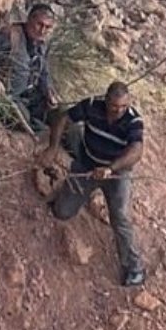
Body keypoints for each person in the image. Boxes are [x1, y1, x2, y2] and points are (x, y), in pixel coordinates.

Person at [40, 80, 147, 287]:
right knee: (62, 212)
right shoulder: (91, 105)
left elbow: (136, 151)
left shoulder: (133, 121)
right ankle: (74, 192)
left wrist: (111, 169)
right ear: (106, 99)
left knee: (120, 217)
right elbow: (64, 117)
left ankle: (134, 267)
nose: (118, 111)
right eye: (114, 106)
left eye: (123, 107)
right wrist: (52, 147)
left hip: (116, 173)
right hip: (87, 164)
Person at [0, 3, 58, 132]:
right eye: (39, 24)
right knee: (22, 120)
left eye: (47, 27)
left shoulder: (43, 45)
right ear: (30, 19)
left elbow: (44, 73)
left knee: (59, 113)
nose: (42, 30)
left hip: (30, 95)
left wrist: (49, 91)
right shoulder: (10, 35)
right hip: (7, 97)